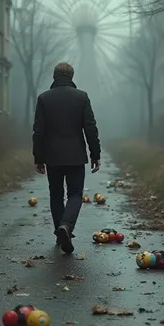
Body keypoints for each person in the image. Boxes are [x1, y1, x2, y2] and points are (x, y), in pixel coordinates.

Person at [32, 62, 101, 254]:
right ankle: (66, 226)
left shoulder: (44, 98)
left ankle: (60, 233)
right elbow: (90, 128)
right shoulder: (81, 97)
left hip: (52, 156)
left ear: (54, 76)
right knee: (75, 194)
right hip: (75, 156)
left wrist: (38, 157)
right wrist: (95, 154)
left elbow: (38, 131)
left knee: (56, 195)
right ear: (72, 76)